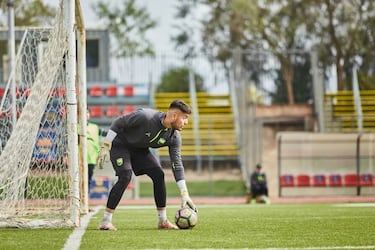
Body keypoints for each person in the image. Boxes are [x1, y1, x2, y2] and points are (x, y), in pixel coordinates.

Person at [97, 100, 197, 231]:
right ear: (173, 116)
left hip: (140, 150)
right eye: (184, 118)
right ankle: (106, 220)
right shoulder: (146, 117)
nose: (186, 122)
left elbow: (177, 164)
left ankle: (162, 220)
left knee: (158, 175)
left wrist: (185, 194)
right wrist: (105, 145)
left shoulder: (174, 137)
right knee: (126, 176)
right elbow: (118, 122)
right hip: (121, 144)